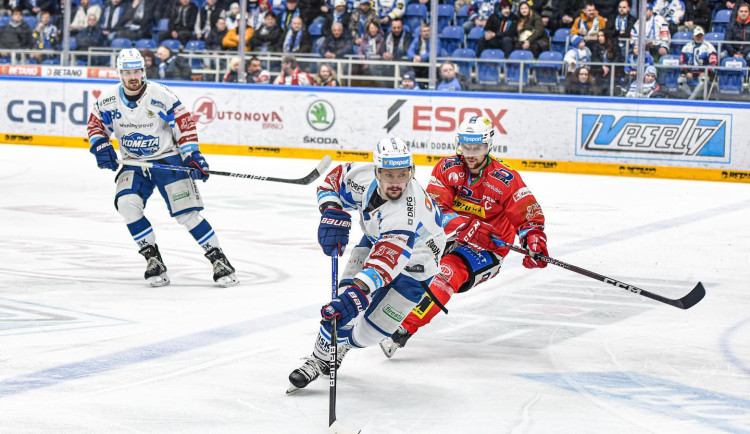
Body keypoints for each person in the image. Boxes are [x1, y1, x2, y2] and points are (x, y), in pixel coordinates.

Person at [379, 117, 548, 358]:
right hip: (447, 237)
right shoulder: (447, 168)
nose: (470, 154)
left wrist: (534, 239)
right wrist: (465, 225)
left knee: (446, 272)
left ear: (489, 146)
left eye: (477, 148)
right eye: (466, 147)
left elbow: (527, 212)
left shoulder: (506, 178)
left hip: (487, 249)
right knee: (401, 258)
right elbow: (434, 211)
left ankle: (401, 331)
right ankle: (376, 310)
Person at [287, 137, 447, 391]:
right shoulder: (361, 177)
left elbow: (386, 260)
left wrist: (360, 292)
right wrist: (332, 211)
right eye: (388, 175)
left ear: (411, 173)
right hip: (377, 241)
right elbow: (333, 181)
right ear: (376, 172)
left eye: (402, 175)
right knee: (341, 304)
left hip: (416, 265)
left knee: (370, 333)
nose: (396, 183)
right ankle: (319, 359)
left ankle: (343, 346)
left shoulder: (405, 211)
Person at [86, 48, 239, 288]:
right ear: (120, 74)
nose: (133, 76)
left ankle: (219, 259)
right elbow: (95, 125)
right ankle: (152, 259)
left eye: (137, 71)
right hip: (133, 163)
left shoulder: (161, 95)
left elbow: (184, 125)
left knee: (186, 213)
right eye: (127, 72)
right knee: (126, 204)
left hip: (167, 160)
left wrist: (192, 156)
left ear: (143, 71)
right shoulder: (107, 100)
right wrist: (101, 145)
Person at [679, 25, 717, 98]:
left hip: (703, 73)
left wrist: (706, 72)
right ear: (693, 36)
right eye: (697, 36)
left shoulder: (709, 47)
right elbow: (683, 62)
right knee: (680, 81)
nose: (699, 37)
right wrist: (687, 72)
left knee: (703, 80)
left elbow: (713, 63)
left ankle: (690, 101)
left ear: (703, 36)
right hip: (690, 73)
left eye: (701, 35)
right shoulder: (687, 47)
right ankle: (693, 98)